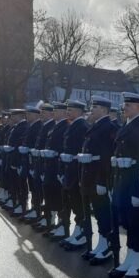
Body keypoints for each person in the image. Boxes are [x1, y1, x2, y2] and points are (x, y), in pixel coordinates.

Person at [107, 92, 139, 278]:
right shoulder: (125, 126)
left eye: (130, 105)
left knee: (135, 225)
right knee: (126, 222)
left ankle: (136, 262)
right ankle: (130, 260)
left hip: (134, 184)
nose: (125, 107)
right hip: (121, 182)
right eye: (125, 104)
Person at [73, 96, 117, 264]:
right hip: (89, 176)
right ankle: (101, 244)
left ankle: (106, 246)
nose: (92, 109)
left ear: (104, 110)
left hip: (98, 178)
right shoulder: (96, 126)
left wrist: (101, 181)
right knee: (98, 214)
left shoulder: (108, 127)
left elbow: (107, 157)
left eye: (96, 106)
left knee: (103, 213)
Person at [56, 100, 89, 243]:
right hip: (69, 169)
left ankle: (81, 232)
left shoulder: (82, 126)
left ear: (80, 112)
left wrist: (73, 157)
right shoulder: (73, 125)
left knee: (77, 202)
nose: (68, 112)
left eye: (71, 110)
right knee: (70, 200)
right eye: (67, 110)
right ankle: (76, 230)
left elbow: (83, 149)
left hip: (76, 170)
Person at [38, 102, 68, 234]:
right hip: (49, 165)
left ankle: (62, 224)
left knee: (59, 196)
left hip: (58, 166)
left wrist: (56, 153)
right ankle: (51, 219)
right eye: (54, 110)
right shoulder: (54, 127)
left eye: (56, 110)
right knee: (49, 194)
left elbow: (65, 146)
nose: (54, 112)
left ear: (63, 112)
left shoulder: (66, 126)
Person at [25, 104, 55, 225]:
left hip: (45, 163)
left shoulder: (51, 126)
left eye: (44, 113)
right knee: (37, 189)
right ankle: (40, 212)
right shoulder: (44, 126)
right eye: (41, 112)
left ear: (51, 114)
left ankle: (47, 216)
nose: (41, 114)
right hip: (38, 162)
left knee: (45, 192)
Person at [16, 106, 42, 218]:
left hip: (34, 160)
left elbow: (36, 143)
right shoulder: (31, 126)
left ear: (36, 115)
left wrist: (29, 149)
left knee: (36, 187)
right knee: (32, 185)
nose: (27, 116)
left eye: (30, 114)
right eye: (27, 114)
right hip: (28, 160)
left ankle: (36, 208)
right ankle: (33, 207)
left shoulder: (38, 126)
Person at [4, 109, 29, 216]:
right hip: (13, 159)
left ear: (20, 116)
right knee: (14, 183)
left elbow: (22, 144)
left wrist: (13, 149)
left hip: (18, 159)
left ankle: (22, 205)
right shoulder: (17, 126)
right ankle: (18, 202)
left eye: (13, 116)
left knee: (20, 184)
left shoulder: (24, 127)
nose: (11, 118)